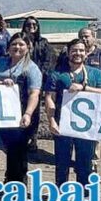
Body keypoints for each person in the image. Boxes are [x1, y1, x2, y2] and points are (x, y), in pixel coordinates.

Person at [45, 38, 101, 189]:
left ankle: (84, 194)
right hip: (63, 124)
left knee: (84, 163)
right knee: (62, 162)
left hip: (86, 127)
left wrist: (84, 88)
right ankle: (61, 192)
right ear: (68, 53)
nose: (77, 53)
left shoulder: (95, 74)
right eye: (74, 50)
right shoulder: (57, 74)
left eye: (81, 50)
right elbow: (49, 98)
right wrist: (51, 120)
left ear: (86, 54)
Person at [56, 27, 101, 171]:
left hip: (92, 105)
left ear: (93, 37)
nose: (85, 39)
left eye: (87, 36)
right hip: (70, 108)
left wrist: (88, 85)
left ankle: (92, 164)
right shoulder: (68, 56)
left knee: (92, 140)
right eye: (82, 36)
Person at [0, 32, 42, 183]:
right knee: (9, 147)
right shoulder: (1, 63)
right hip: (3, 112)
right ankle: (9, 180)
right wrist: (2, 83)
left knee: (19, 149)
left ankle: (19, 183)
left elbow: (34, 93)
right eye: (14, 44)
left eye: (21, 44)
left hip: (23, 113)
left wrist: (27, 114)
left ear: (28, 47)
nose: (17, 47)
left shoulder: (32, 68)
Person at [21, 16, 56, 151]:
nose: (31, 27)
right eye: (28, 24)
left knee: (34, 111)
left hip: (37, 81)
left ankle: (33, 139)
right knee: (22, 108)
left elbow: (48, 61)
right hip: (21, 81)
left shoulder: (44, 43)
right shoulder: (21, 40)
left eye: (34, 24)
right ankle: (22, 137)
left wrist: (38, 75)